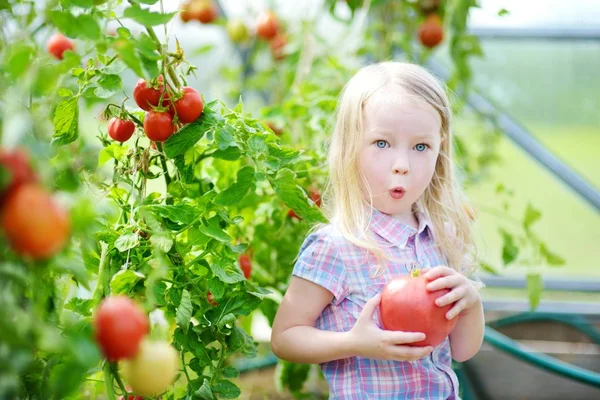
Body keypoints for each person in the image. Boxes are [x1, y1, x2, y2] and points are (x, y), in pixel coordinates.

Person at [270, 61, 485, 399]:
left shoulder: (442, 237)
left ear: (439, 150)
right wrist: (355, 343)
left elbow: (461, 351)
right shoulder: (337, 246)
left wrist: (471, 304)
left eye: (420, 147)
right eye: (382, 143)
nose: (402, 163)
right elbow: (285, 337)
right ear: (351, 147)